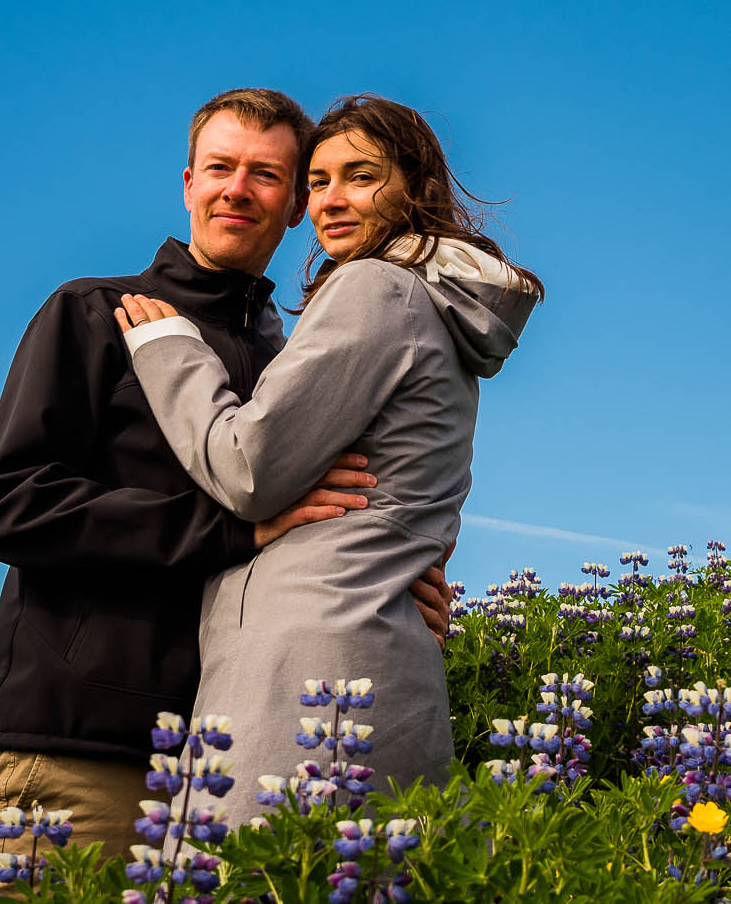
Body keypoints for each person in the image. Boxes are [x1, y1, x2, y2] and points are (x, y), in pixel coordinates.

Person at [0, 88, 451, 895]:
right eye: (221, 168)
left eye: (266, 175)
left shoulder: (293, 356)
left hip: (230, 754)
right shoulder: (96, 312)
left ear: (295, 205)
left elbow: (344, 508)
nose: (238, 189)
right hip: (79, 748)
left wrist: (403, 584)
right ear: (188, 181)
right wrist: (230, 531)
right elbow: (9, 505)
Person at [115, 94, 541, 797]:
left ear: (416, 188)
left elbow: (248, 468)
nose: (332, 201)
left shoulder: (376, 288)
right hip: (371, 641)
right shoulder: (427, 305)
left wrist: (169, 351)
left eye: (361, 176)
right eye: (317, 182)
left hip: (310, 660)